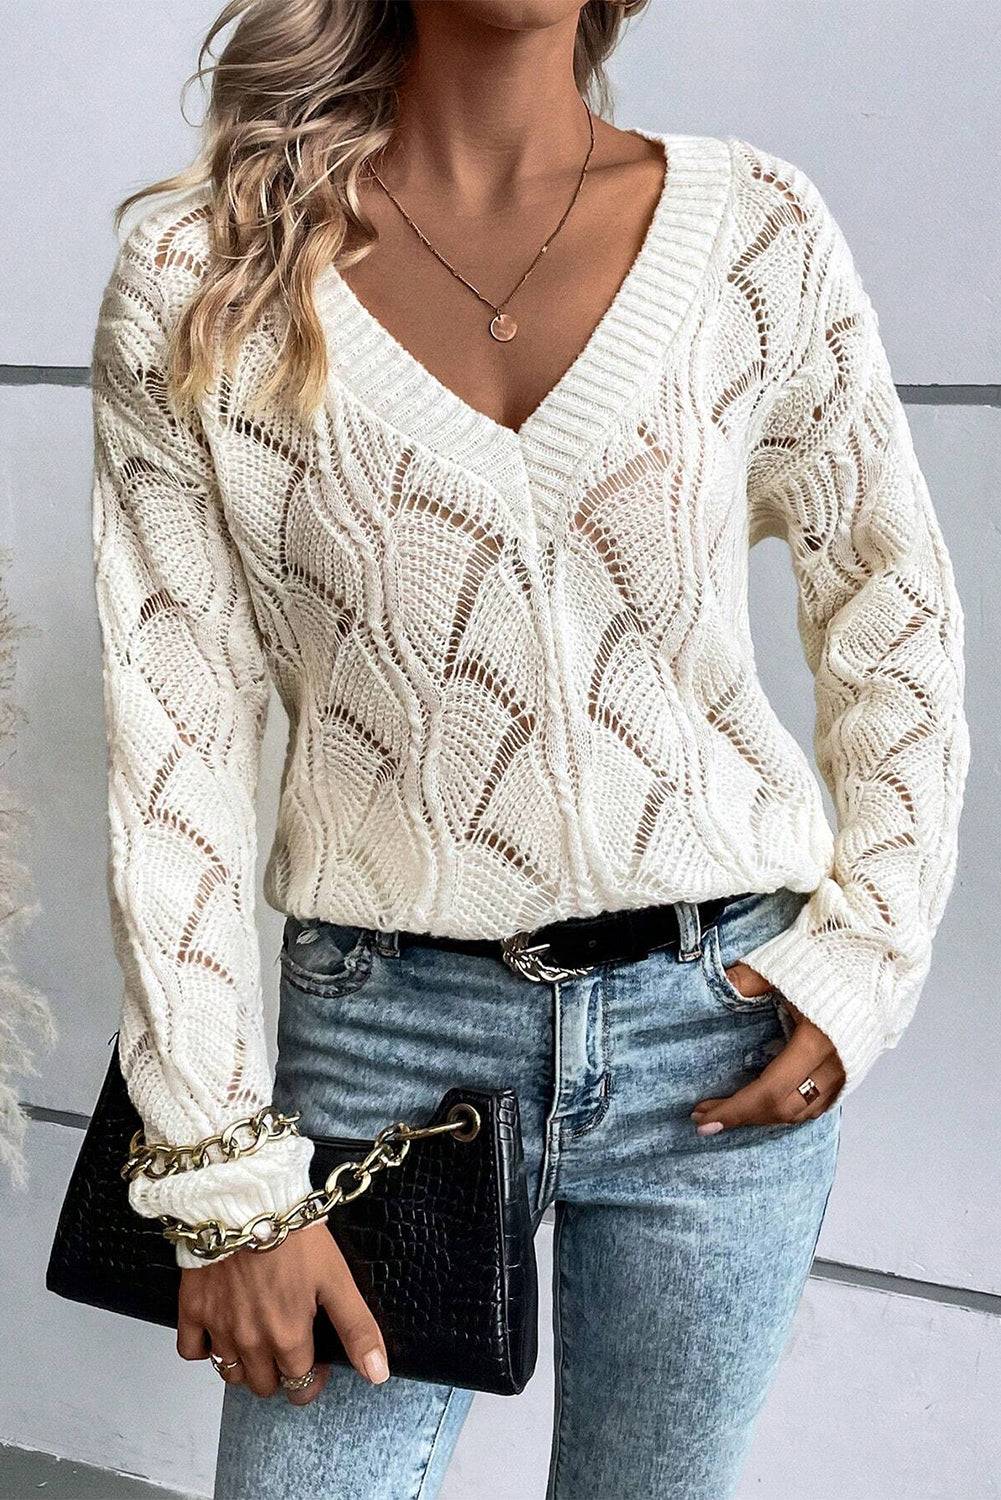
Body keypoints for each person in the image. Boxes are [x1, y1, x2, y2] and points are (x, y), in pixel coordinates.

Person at [88, 2, 970, 1496]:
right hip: (378, 1045)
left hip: (721, 1029)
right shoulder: (202, 273)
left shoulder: (754, 233)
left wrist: (867, 955)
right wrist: (224, 1174)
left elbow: (891, 606)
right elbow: (174, 744)